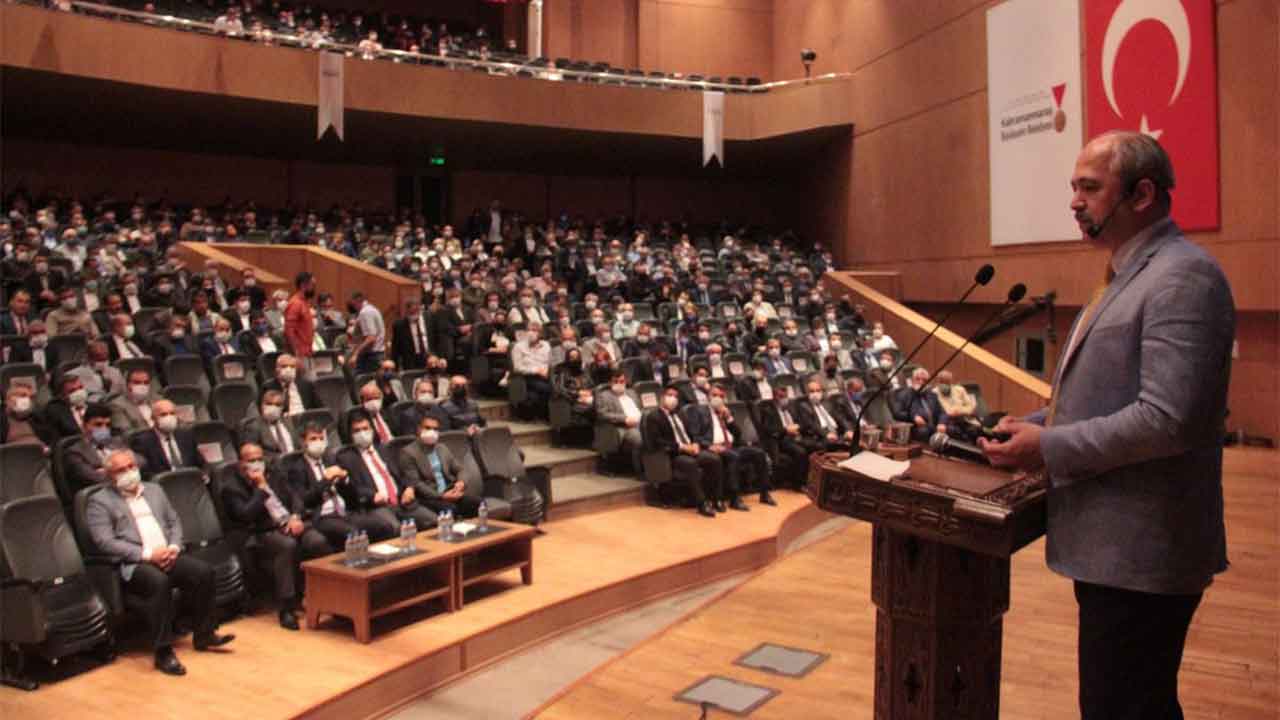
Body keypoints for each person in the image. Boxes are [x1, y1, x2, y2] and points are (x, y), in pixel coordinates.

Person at [981, 131, 1234, 720]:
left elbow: (1167, 420)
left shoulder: (1182, 276)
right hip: (1114, 551)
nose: (1074, 202)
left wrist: (1048, 445)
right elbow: (1107, 395)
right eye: (1074, 187)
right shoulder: (1126, 274)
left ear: (1141, 195)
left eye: (1090, 188)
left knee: (1125, 707)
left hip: (1144, 552)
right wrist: (1035, 423)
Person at [87, 449, 234, 675]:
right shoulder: (99, 501)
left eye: (131, 466)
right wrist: (148, 555)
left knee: (203, 572)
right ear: (109, 475)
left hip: (168, 554)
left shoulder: (154, 490)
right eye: (121, 470)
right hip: (136, 563)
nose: (129, 472)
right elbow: (105, 542)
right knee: (159, 582)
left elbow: (174, 521)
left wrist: (173, 548)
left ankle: (205, 634)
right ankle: (163, 651)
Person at [220, 443, 329, 630]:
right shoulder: (231, 487)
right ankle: (287, 608)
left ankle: (325, 595)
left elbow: (295, 499)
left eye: (259, 459)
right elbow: (246, 515)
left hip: (290, 522)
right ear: (241, 464)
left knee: (317, 541)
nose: (257, 464)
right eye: (251, 460)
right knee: (286, 545)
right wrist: (261, 488)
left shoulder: (275, 474)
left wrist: (295, 517)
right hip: (260, 532)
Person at [336, 410, 436, 537]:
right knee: (396, 529)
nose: (362, 433)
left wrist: (409, 488)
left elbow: (404, 473)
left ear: (372, 429)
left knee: (432, 520)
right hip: (376, 506)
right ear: (350, 434)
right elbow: (350, 488)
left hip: (402, 501)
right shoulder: (346, 458)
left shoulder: (385, 449)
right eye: (357, 430)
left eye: (365, 428)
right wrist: (372, 495)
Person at [681, 385, 773, 508]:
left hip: (730, 446)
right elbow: (695, 435)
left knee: (759, 453)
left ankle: (765, 493)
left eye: (721, 396)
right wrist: (709, 446)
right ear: (708, 397)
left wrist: (729, 418)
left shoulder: (726, 411)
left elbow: (738, 434)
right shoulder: (698, 411)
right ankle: (735, 498)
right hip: (713, 447)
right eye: (714, 395)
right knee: (733, 456)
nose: (718, 398)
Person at [642, 385, 724, 518]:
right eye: (670, 395)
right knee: (690, 463)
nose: (673, 398)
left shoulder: (680, 414)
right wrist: (682, 447)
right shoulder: (654, 416)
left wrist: (695, 443)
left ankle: (716, 498)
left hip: (690, 448)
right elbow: (657, 442)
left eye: (675, 396)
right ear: (662, 397)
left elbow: (692, 433)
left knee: (714, 459)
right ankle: (702, 503)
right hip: (673, 453)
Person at [397, 414, 482, 518]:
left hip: (449, 491)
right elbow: (416, 483)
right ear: (419, 429)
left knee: (478, 503)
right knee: (450, 510)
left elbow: (460, 469)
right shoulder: (408, 452)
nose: (432, 432)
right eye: (428, 428)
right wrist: (442, 496)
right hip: (429, 497)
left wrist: (461, 482)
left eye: (435, 429)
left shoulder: (442, 448)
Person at [130, 400, 204, 479]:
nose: (169, 417)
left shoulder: (186, 435)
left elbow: (201, 462)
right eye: (163, 414)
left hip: (190, 480)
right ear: (153, 418)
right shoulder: (142, 442)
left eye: (172, 413)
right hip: (164, 483)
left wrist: (205, 473)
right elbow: (145, 473)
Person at [756, 384, 809, 487]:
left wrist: (798, 427)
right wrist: (786, 430)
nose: (784, 399)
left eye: (785, 396)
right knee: (801, 452)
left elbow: (804, 422)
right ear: (774, 397)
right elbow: (768, 430)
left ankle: (813, 479)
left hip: (797, 436)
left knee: (815, 446)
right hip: (781, 439)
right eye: (780, 397)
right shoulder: (768, 410)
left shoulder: (792, 407)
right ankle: (799, 484)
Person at [593, 370, 644, 472]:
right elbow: (602, 414)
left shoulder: (632, 392)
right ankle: (640, 470)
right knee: (640, 439)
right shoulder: (604, 395)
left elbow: (641, 408)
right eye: (615, 381)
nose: (619, 384)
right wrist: (624, 419)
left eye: (622, 381)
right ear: (610, 382)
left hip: (641, 423)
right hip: (624, 427)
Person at [240, 389, 301, 458]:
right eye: (269, 404)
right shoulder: (254, 426)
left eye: (277, 405)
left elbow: (299, 445)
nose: (273, 408)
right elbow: (251, 455)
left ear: (282, 408)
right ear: (262, 405)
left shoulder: (289, 422)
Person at [890, 368, 946, 443]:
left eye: (924, 380)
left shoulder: (932, 395)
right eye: (917, 379)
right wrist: (913, 417)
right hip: (914, 427)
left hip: (934, 426)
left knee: (952, 429)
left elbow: (942, 412)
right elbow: (897, 413)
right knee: (924, 431)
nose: (921, 382)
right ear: (912, 380)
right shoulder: (903, 394)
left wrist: (942, 423)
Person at [510, 321, 552, 420]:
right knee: (548, 388)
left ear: (540, 333)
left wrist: (547, 370)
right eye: (529, 330)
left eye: (534, 330)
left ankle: (546, 415)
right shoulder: (518, 347)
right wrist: (536, 371)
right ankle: (546, 416)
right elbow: (517, 368)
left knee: (557, 386)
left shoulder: (546, 345)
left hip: (546, 374)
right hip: (528, 376)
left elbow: (550, 361)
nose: (531, 333)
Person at [284, 271, 318, 373]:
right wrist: (296, 354)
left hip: (307, 353)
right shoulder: (295, 304)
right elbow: (289, 331)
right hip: (299, 355)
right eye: (312, 285)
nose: (314, 289)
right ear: (303, 285)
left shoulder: (305, 302)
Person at [109, 368, 157, 432]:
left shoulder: (157, 399)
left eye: (146, 383)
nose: (142, 386)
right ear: (127, 384)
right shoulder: (116, 405)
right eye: (137, 382)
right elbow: (126, 432)